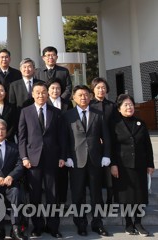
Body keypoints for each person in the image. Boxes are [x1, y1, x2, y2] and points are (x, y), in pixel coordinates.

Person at [18, 82, 64, 238]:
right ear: (32, 94)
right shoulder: (25, 112)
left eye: (44, 92)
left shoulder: (56, 112)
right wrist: (24, 157)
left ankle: (53, 226)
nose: (41, 95)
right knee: (34, 195)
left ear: (48, 94)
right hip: (32, 160)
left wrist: (62, 156)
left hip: (52, 159)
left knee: (52, 195)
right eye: (37, 92)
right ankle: (37, 226)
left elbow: (62, 138)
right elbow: (22, 138)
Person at [63, 85, 111, 237]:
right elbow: (64, 139)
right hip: (76, 161)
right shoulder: (68, 115)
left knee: (96, 194)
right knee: (78, 195)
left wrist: (106, 155)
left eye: (85, 95)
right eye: (80, 95)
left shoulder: (99, 114)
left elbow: (107, 137)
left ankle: (98, 223)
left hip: (95, 160)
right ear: (74, 98)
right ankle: (81, 223)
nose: (83, 97)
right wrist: (67, 157)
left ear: (90, 97)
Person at [110, 94, 155, 236]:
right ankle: (129, 223)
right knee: (126, 197)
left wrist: (150, 164)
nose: (129, 107)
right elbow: (111, 147)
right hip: (122, 166)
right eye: (125, 105)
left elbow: (147, 146)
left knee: (140, 195)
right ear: (119, 108)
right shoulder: (115, 124)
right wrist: (113, 165)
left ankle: (138, 223)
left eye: (131, 104)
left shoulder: (141, 123)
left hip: (140, 165)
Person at [89, 77, 117, 204]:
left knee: (109, 173)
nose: (101, 90)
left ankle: (110, 199)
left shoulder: (112, 105)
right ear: (93, 89)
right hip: (94, 145)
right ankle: (97, 201)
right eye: (98, 87)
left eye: (103, 87)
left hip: (110, 143)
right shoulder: (89, 105)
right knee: (96, 175)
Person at [47, 78, 73, 204]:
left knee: (63, 175)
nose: (55, 90)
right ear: (48, 90)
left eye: (58, 88)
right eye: (52, 88)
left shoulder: (68, 103)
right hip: (49, 145)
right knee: (51, 176)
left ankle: (62, 201)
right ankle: (53, 202)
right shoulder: (44, 103)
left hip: (64, 142)